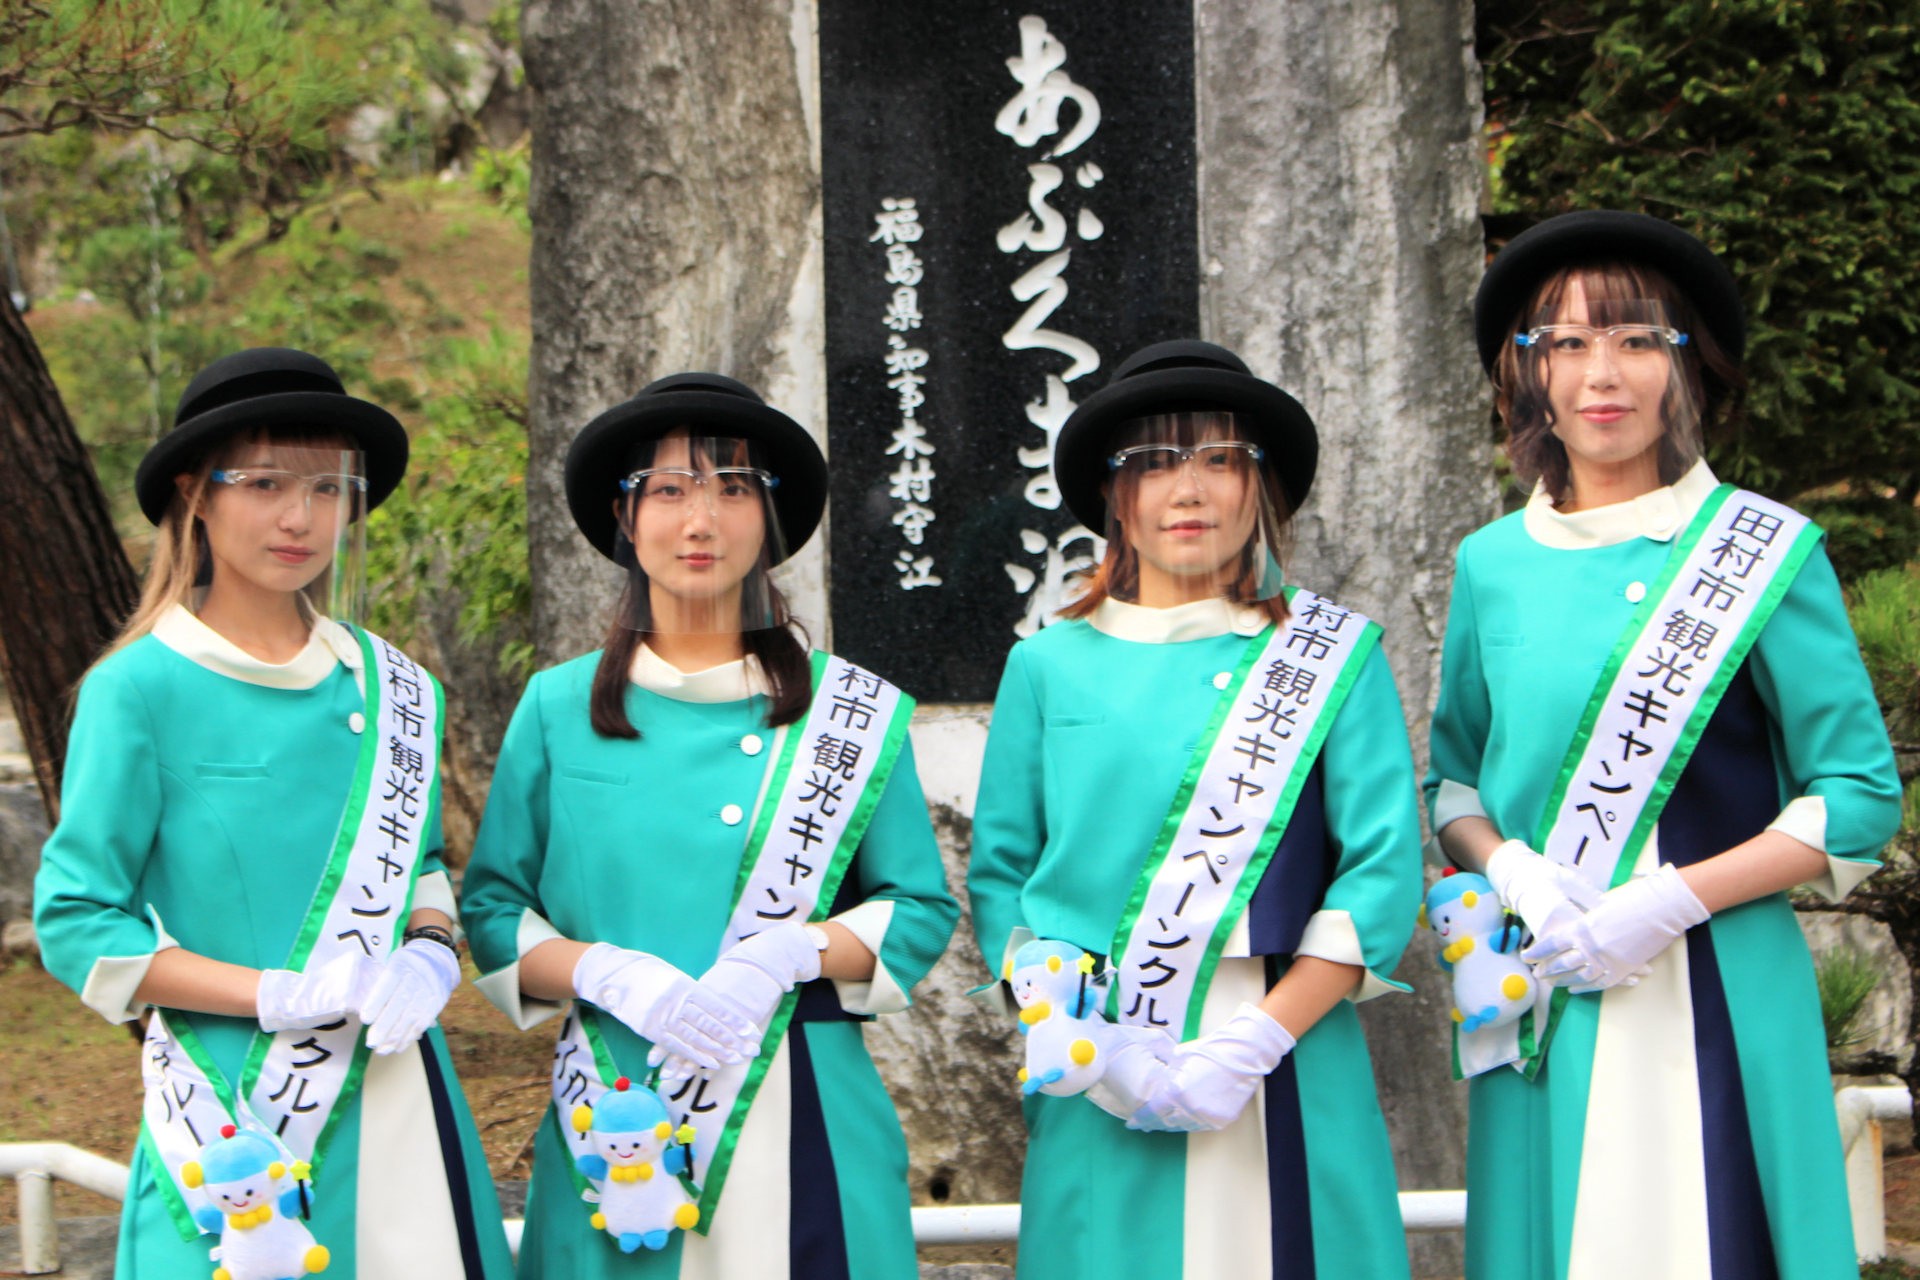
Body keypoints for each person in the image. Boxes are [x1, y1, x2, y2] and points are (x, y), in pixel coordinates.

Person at [1427, 210, 1902, 1279]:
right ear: (1528, 373)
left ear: (1689, 367)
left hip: (1717, 974)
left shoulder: (1762, 548)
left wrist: (1672, 897)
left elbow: (1861, 792)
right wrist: (1520, 874)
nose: (1606, 372)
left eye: (1640, 339)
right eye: (1569, 341)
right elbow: (1451, 777)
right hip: (1548, 977)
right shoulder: (1492, 563)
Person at [460, 372, 957, 1279]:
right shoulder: (558, 706)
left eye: (735, 488)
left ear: (769, 520)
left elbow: (919, 905)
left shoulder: (846, 713)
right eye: (671, 489)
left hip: (803, 1099)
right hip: (617, 1110)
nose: (702, 520)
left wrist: (791, 955)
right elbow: (493, 908)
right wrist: (606, 971)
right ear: (625, 514)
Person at [32, 347, 515, 1278]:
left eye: (329, 489)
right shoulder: (137, 688)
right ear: (196, 493)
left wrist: (426, 945)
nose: (301, 518)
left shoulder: (396, 687)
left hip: (401, 1090)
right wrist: (274, 994)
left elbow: (420, 865)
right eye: (264, 483)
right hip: (235, 1115)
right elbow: (78, 920)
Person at [967, 340, 1423, 1280]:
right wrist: (1077, 1037)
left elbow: (1380, 865)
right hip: (1102, 1053)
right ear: (1113, 496)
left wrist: (1259, 1038)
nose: (1189, 489)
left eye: (1220, 460)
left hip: (1287, 1042)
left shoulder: (1331, 656)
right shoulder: (1048, 665)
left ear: (1263, 490)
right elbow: (1002, 875)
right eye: (1154, 463)